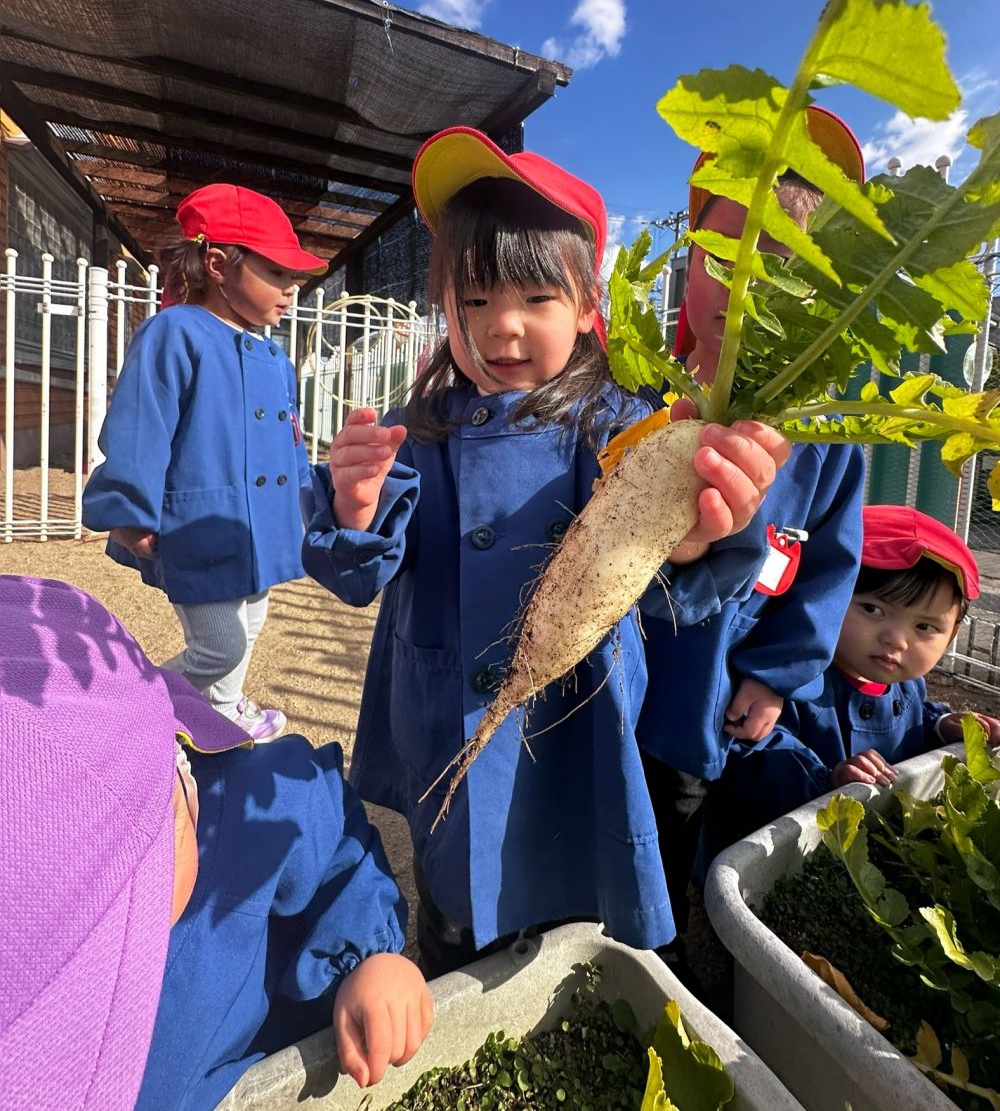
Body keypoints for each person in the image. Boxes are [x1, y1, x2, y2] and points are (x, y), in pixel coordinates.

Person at [301, 125, 792, 977]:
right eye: (476, 298)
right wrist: (354, 505)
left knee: (567, 908)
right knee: (453, 898)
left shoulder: (615, 424)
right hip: (445, 710)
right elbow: (361, 567)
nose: (504, 328)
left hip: (570, 727)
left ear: (589, 307)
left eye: (536, 298)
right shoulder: (422, 430)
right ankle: (452, 961)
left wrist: (702, 532)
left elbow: (668, 564)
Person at [0, 575, 432, 1111]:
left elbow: (331, 836)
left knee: (231, 635)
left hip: (229, 550)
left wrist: (369, 955)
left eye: (132, 893)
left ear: (181, 784)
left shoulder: (240, 816)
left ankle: (227, 704)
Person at [638, 107, 868, 952]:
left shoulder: (830, 441)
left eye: (784, 267)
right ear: (688, 261)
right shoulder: (643, 399)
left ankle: (672, 946)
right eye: (722, 258)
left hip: (721, 702)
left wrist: (776, 678)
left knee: (691, 834)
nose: (746, 287)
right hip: (630, 683)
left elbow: (827, 574)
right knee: (623, 815)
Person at [82, 184, 325, 741]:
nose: (292, 290)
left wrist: (306, 511)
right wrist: (129, 508)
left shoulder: (273, 354)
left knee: (254, 621)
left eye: (295, 279)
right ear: (218, 264)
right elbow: (142, 424)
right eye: (280, 274)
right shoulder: (176, 331)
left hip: (259, 528)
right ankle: (126, 716)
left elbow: (292, 443)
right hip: (198, 523)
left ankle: (223, 708)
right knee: (219, 645)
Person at [716, 505, 1000, 830]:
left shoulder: (908, 686)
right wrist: (830, 779)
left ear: (953, 633)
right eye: (872, 609)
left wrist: (943, 726)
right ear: (827, 597)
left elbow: (915, 716)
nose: (896, 640)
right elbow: (755, 752)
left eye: (924, 627)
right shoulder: (790, 680)